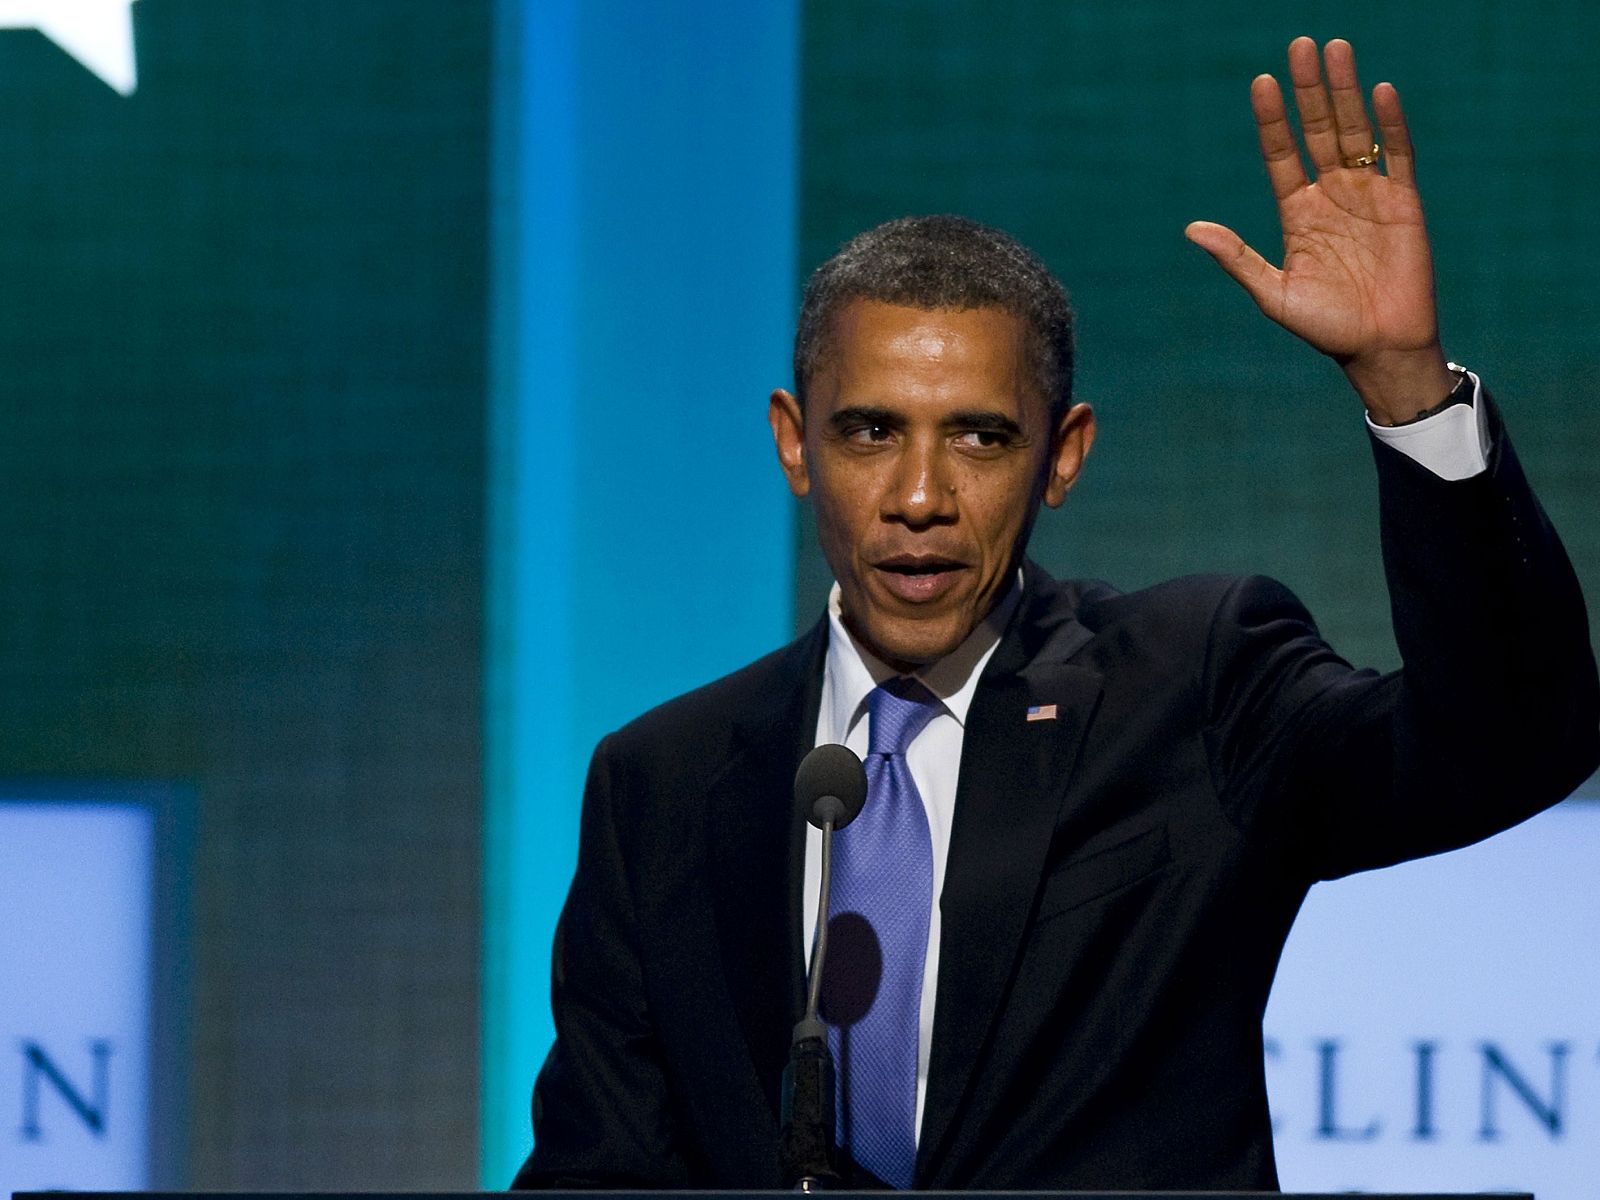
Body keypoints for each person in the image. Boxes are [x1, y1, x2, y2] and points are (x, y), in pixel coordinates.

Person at [512, 37, 1598, 1190]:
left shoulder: (1190, 686)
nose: (919, 499)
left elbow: (1510, 743)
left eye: (980, 437)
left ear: (1061, 456)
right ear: (794, 442)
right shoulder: (662, 784)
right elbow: (603, 1170)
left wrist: (1404, 385)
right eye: (870, 432)